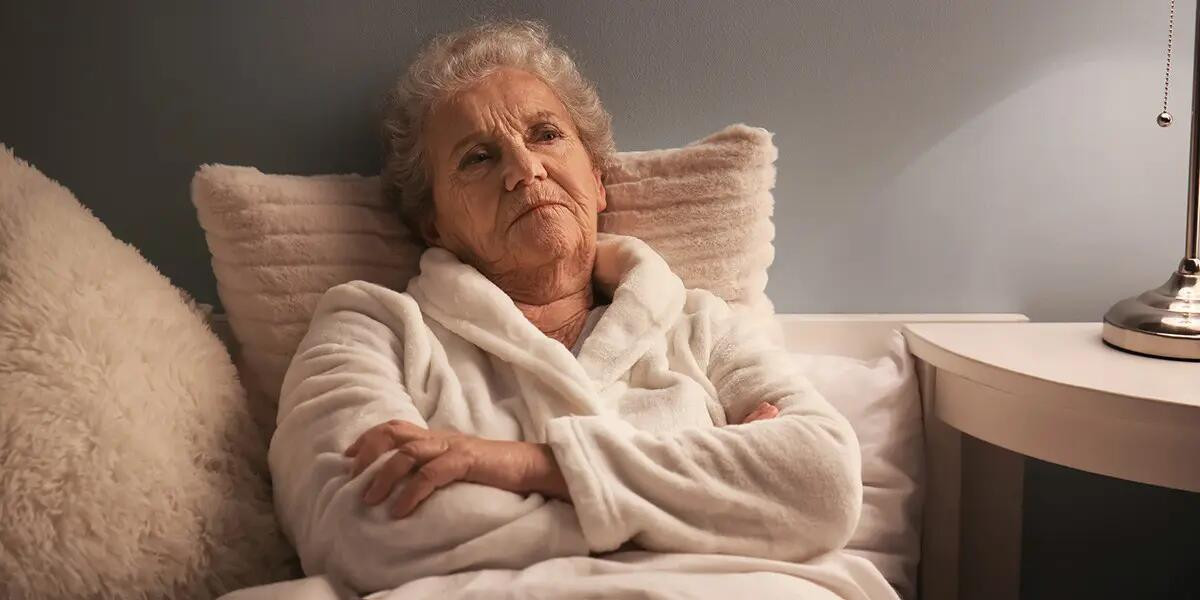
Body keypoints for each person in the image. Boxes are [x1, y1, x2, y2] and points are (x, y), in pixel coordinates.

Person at [268, 19, 899, 600]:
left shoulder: (702, 325)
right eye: (478, 158)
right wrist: (720, 491)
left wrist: (524, 465)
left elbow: (823, 485)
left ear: (597, 182)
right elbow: (361, 528)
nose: (525, 169)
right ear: (433, 224)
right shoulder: (370, 326)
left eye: (546, 134)